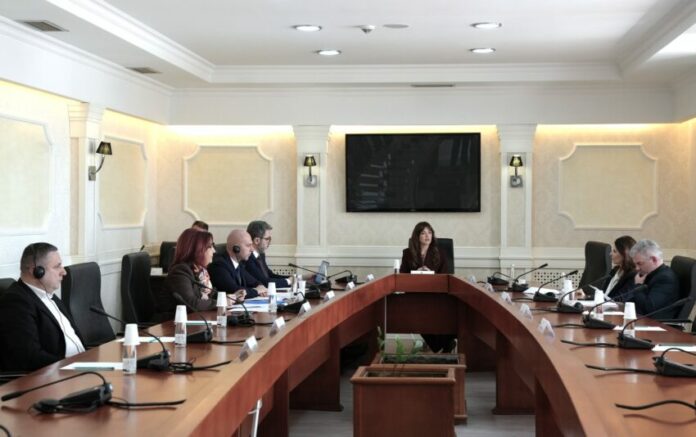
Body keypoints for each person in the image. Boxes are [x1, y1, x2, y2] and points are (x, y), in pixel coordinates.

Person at [0, 243, 85, 371]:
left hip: (80, 366)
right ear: (37, 271)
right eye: (57, 266)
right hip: (56, 374)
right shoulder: (16, 302)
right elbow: (29, 357)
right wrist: (70, 366)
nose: (64, 272)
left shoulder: (50, 295)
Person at [399, 222, 453, 353]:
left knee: (437, 312)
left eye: (429, 232)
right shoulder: (408, 253)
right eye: (423, 233)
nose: (427, 236)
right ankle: (443, 344)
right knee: (415, 316)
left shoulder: (440, 253)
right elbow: (402, 276)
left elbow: (446, 276)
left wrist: (431, 274)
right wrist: (416, 272)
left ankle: (444, 343)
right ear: (417, 236)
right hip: (415, 294)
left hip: (435, 294)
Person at [161, 229, 241, 315]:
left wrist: (232, 298)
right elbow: (191, 303)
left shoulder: (202, 272)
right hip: (174, 322)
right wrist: (222, 302)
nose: (214, 251)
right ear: (197, 250)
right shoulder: (180, 272)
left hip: (198, 319)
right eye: (210, 247)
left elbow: (212, 296)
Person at [623, 239, 680, 319]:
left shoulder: (665, 278)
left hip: (656, 323)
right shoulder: (649, 274)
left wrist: (638, 285)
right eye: (635, 264)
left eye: (639, 263)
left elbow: (648, 308)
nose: (637, 268)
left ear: (654, 259)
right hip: (640, 319)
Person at [209, 229, 268, 299]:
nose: (252, 249)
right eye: (248, 245)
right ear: (236, 248)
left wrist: (260, 286)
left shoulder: (238, 264)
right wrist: (257, 291)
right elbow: (235, 290)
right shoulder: (218, 265)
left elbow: (255, 282)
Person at [245, 220, 291, 288]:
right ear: (257, 240)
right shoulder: (247, 258)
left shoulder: (261, 255)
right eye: (267, 239)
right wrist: (289, 281)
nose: (269, 242)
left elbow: (270, 275)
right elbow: (264, 282)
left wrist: (292, 278)